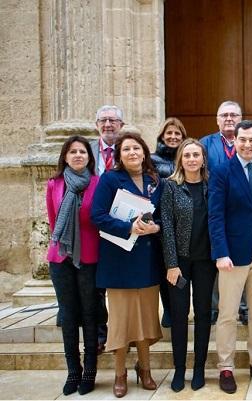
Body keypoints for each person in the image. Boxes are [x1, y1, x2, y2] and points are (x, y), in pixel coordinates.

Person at [91, 133, 164, 398]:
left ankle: (144, 369)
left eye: (137, 148)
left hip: (147, 261)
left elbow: (165, 218)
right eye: (126, 149)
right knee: (120, 323)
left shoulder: (155, 181)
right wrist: (127, 227)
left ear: (144, 152)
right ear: (119, 155)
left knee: (146, 319)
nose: (132, 152)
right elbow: (97, 215)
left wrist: (156, 227)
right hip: (119, 260)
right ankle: (119, 373)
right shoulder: (110, 180)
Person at [208, 120, 252, 394]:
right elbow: (215, 215)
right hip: (232, 256)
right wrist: (221, 252)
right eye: (243, 140)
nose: (248, 144)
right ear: (234, 141)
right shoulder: (222, 171)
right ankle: (226, 366)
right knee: (228, 313)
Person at [46, 136, 100, 396]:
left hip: (89, 257)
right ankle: (73, 371)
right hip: (60, 258)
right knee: (68, 316)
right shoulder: (54, 184)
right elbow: (53, 219)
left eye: (82, 152)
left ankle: (90, 370)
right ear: (65, 156)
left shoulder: (98, 184)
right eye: (73, 151)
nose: (78, 155)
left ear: (90, 157)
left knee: (89, 315)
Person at [161, 139, 215, 392]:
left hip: (206, 262)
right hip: (180, 263)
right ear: (180, 160)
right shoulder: (170, 187)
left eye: (196, 155)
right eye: (187, 155)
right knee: (180, 315)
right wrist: (171, 264)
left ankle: (199, 368)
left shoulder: (211, 185)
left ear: (203, 159)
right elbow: (167, 229)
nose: (192, 159)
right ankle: (180, 368)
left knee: (204, 314)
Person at [201, 101, 252, 325]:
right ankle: (218, 306)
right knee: (222, 265)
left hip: (243, 211)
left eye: (233, 115)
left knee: (246, 265)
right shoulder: (206, 143)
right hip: (214, 207)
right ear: (217, 119)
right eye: (224, 115)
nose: (229, 118)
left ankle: (244, 307)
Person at [89, 105, 125, 352]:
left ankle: (126, 332)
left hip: (124, 225)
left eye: (113, 120)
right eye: (103, 120)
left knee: (121, 284)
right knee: (96, 284)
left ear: (121, 125)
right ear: (96, 125)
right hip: (94, 225)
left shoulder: (129, 149)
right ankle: (101, 333)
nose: (108, 124)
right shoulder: (87, 151)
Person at [151, 117, 188, 329]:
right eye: (169, 133)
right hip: (160, 221)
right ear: (162, 136)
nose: (173, 137)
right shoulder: (153, 160)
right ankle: (168, 309)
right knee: (166, 266)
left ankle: (178, 309)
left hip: (183, 220)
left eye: (178, 134)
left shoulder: (189, 158)